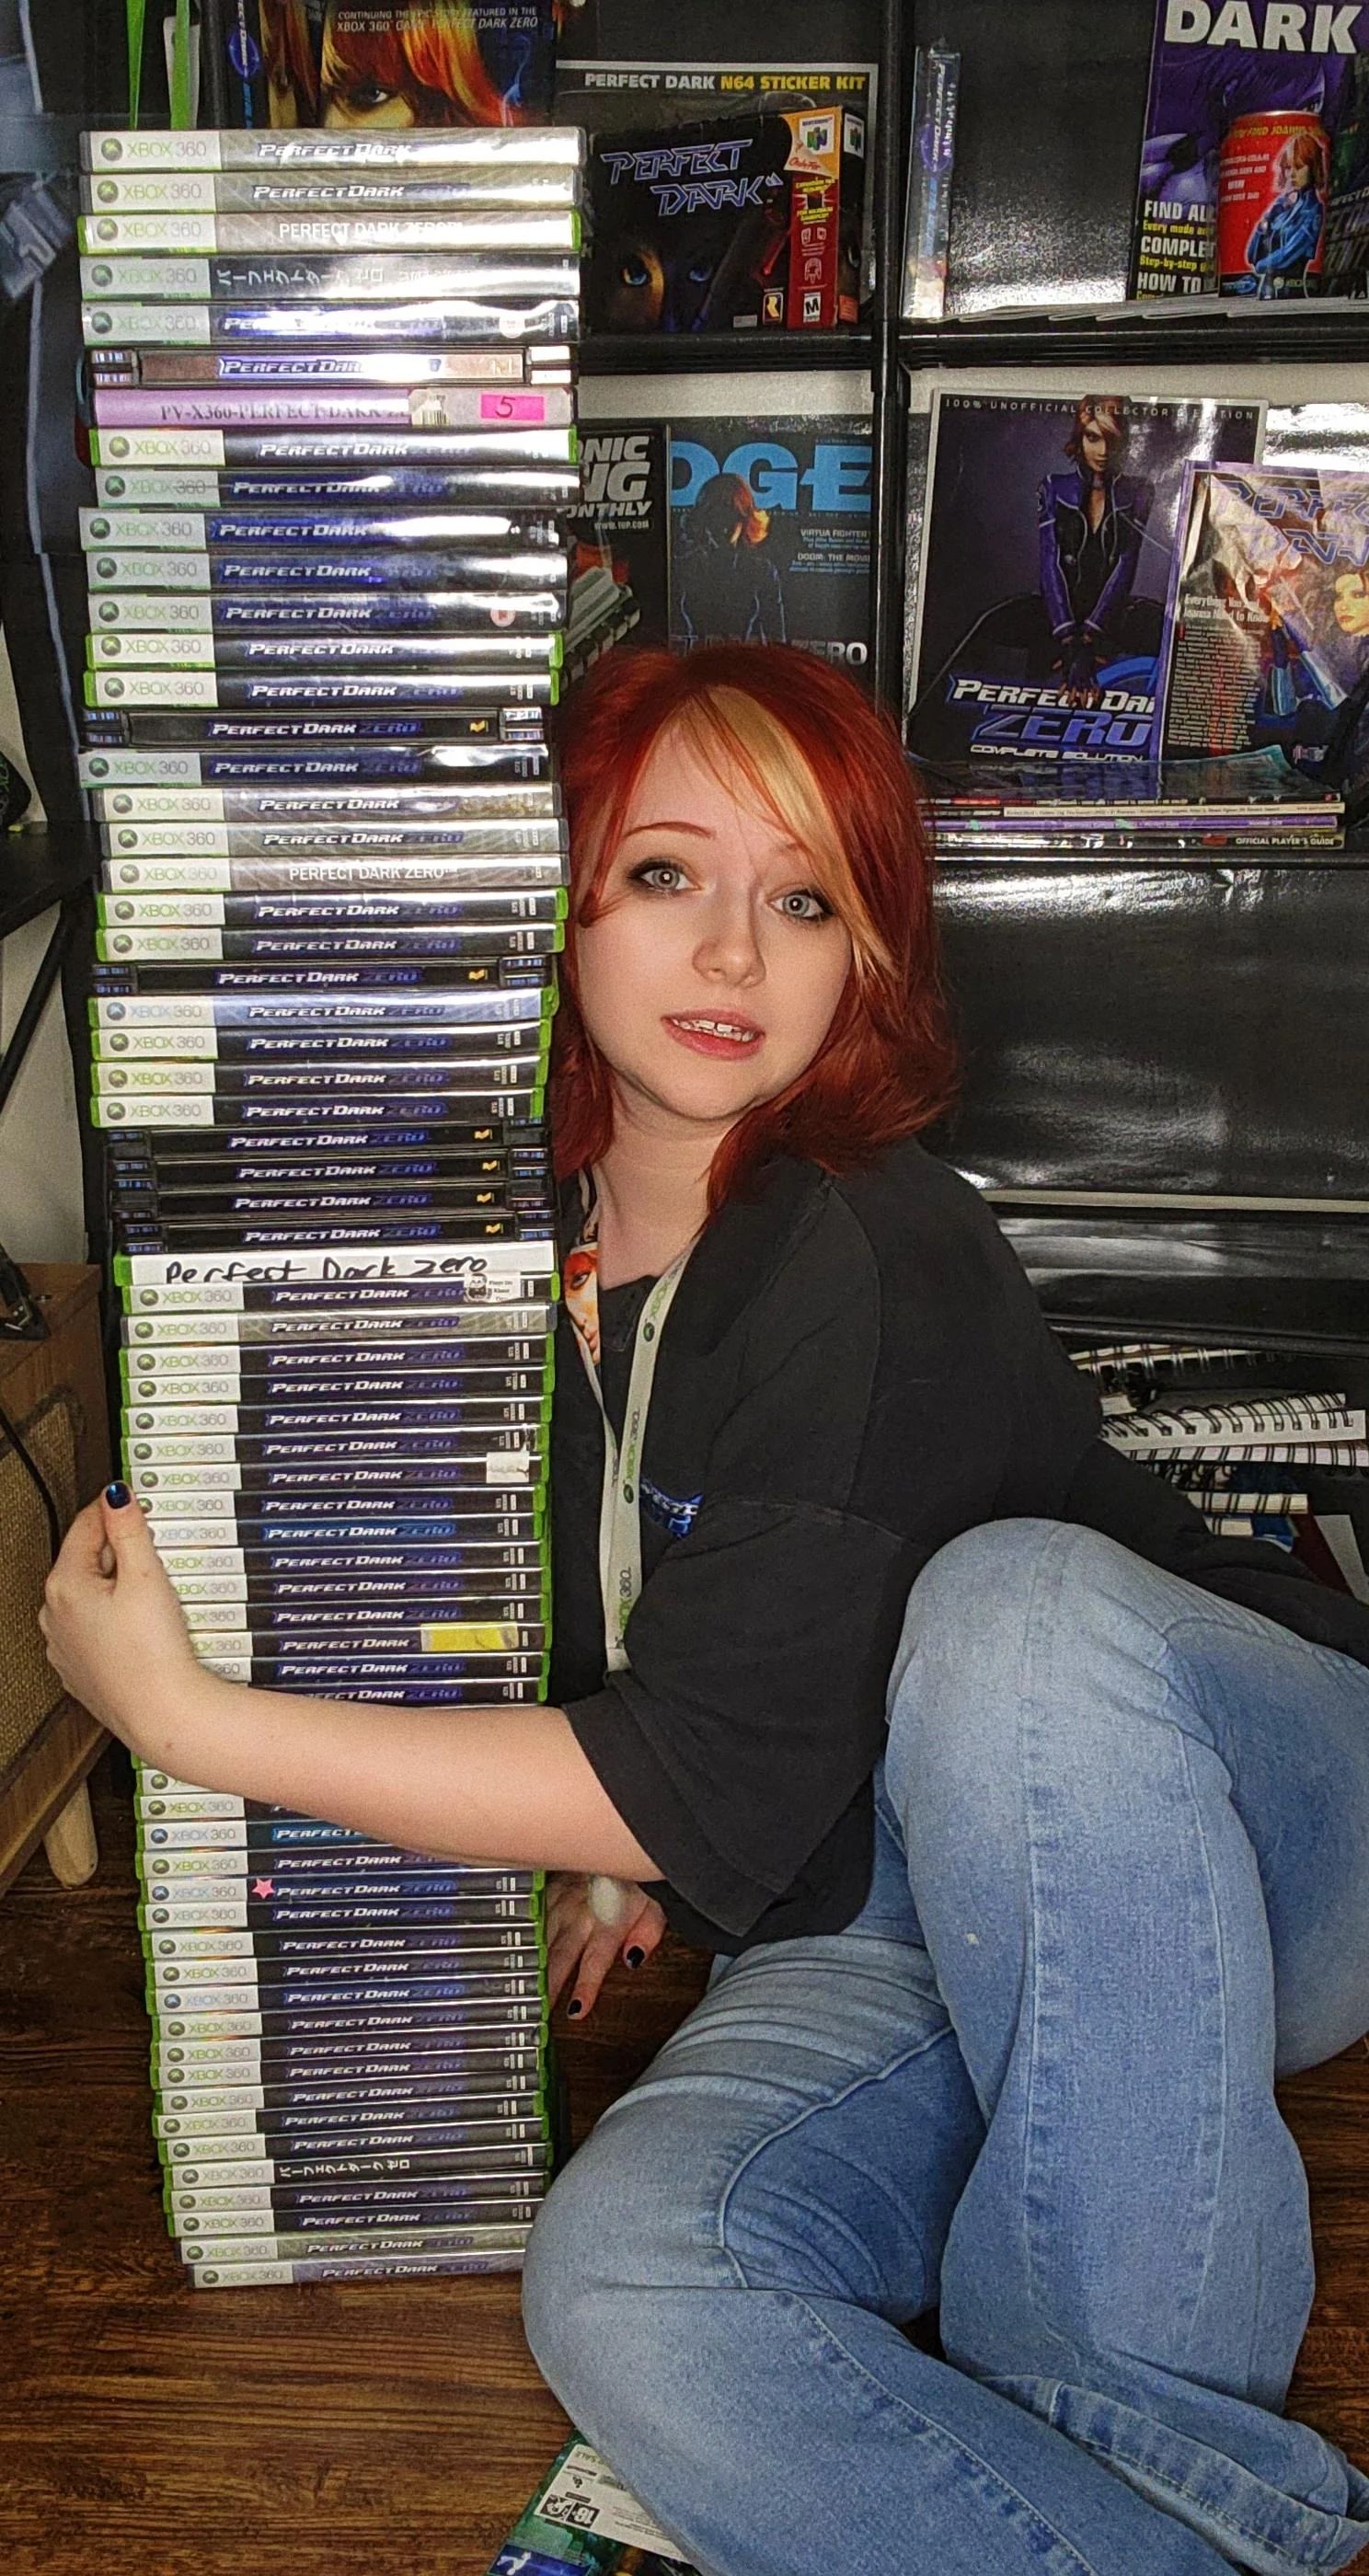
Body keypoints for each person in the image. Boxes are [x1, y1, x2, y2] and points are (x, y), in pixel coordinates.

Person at [40, 645, 1369, 2575]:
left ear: (868, 957)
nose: (736, 951)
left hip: (1240, 1834)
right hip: (879, 1906)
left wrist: (182, 1719)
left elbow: (700, 1754)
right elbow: (682, 1644)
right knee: (634, 2284)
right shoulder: (497, 1240)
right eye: (666, 873)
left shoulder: (878, 1244)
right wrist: (629, 1847)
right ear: (559, 898)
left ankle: (1164, 2447)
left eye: (807, 899)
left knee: (1008, 1614)